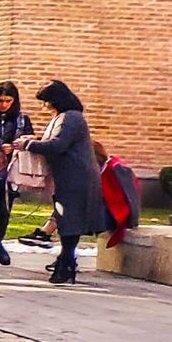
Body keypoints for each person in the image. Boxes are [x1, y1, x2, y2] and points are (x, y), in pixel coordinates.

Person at [23, 79, 107, 284]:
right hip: (69, 176)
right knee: (67, 220)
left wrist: (28, 144)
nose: (44, 106)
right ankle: (66, 263)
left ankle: (66, 266)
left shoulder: (71, 118)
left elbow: (58, 145)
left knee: (69, 221)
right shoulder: (66, 117)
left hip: (76, 178)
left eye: (46, 102)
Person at [0, 80, 32, 267]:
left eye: (8, 101)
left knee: (4, 209)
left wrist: (15, 146)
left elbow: (28, 140)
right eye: (0, 100)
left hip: (10, 170)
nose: (3, 105)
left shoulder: (21, 120)